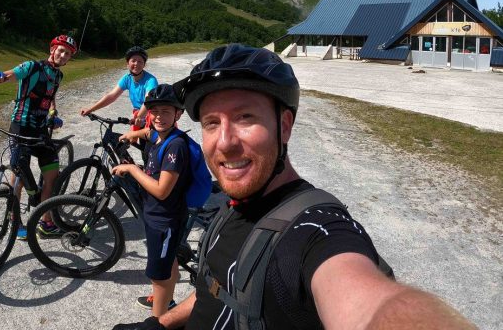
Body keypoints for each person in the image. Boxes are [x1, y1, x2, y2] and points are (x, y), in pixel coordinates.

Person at [114, 44, 476, 330]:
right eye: (211, 122)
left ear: (284, 126)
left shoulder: (314, 231)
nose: (224, 142)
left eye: (245, 117)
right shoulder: (231, 207)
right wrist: (161, 324)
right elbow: (217, 289)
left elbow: (372, 303)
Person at [112, 84, 192, 317]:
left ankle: (158, 319)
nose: (158, 116)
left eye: (166, 111)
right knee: (169, 262)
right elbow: (148, 133)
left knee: (159, 275)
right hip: (157, 215)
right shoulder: (160, 134)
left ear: (178, 114)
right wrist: (132, 134)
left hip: (164, 220)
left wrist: (132, 169)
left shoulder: (175, 146)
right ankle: (165, 301)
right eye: (153, 111)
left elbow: (162, 190)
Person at [0, 34, 77, 239]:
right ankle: (14, 221)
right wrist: (0, 77)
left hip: (40, 131)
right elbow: (11, 74)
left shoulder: (58, 76)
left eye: (68, 54)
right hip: (20, 127)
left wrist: (53, 114)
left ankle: (46, 223)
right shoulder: (32, 67)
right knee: (18, 177)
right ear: (52, 50)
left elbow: (50, 97)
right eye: (61, 50)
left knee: (52, 176)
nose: (63, 55)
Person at [81, 46, 158, 161]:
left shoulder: (150, 80)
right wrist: (91, 109)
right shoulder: (127, 79)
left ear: (144, 64)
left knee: (148, 154)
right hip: (139, 116)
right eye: (133, 61)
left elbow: (148, 100)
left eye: (140, 61)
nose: (136, 64)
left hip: (151, 117)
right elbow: (111, 96)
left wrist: (140, 116)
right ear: (127, 63)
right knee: (126, 142)